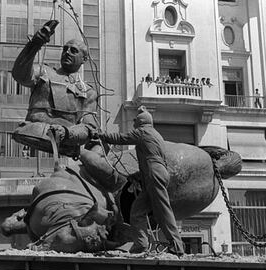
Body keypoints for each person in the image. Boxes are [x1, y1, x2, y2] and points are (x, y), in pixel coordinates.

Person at [95, 106, 184, 256]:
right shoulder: (155, 134)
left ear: (141, 121)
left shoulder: (143, 132)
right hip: (154, 174)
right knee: (137, 212)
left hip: (153, 174)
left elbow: (122, 138)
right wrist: (138, 175)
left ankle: (177, 246)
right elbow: (151, 159)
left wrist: (102, 136)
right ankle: (141, 245)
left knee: (162, 211)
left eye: (136, 120)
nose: (134, 122)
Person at [11, 20, 98, 156]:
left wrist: (68, 133)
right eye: (65, 49)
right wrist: (35, 44)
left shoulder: (88, 91)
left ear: (84, 59)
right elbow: (20, 74)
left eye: (73, 51)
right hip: (32, 130)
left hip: (64, 141)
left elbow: (89, 127)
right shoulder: (43, 72)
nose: (67, 52)